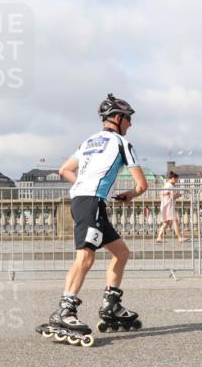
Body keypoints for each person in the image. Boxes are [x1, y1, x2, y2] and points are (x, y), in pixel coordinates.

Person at [36, 94, 148, 346]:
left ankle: (111, 305)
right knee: (85, 257)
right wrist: (130, 194)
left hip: (83, 200)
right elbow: (142, 185)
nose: (130, 124)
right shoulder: (122, 143)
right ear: (118, 118)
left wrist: (84, 185)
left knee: (121, 252)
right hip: (92, 202)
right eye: (128, 119)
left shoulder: (87, 141)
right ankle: (65, 311)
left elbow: (64, 169)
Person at [156, 171, 186, 242]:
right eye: (176, 179)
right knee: (175, 221)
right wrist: (178, 195)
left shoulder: (168, 185)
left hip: (166, 205)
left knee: (166, 222)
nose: (177, 180)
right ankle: (179, 237)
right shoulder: (169, 185)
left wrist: (176, 195)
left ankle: (159, 237)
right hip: (169, 206)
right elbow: (171, 197)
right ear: (173, 178)